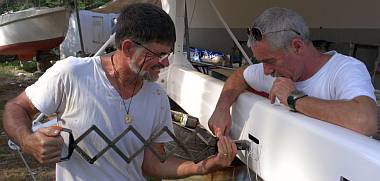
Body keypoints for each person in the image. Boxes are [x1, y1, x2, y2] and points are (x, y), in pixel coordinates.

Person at [3, 3, 237, 181]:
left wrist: (203, 167)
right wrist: (27, 140)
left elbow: (152, 164)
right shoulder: (72, 74)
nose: (164, 64)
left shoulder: (156, 97)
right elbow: (16, 107)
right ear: (127, 48)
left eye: (167, 55)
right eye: (158, 55)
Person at [208, 7, 377, 137]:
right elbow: (240, 75)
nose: (265, 71)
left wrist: (294, 99)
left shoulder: (345, 69)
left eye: (270, 61)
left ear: (297, 46)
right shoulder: (275, 71)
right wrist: (222, 109)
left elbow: (366, 120)